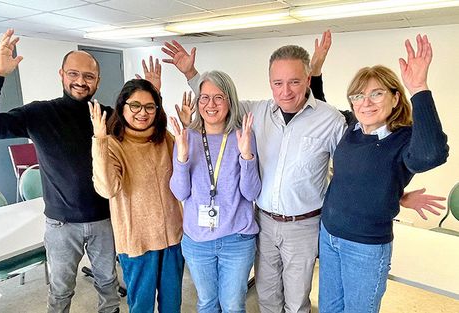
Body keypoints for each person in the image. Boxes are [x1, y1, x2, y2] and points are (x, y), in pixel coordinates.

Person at [161, 31, 447, 313]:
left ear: (307, 80)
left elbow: (361, 166)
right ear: (270, 84)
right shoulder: (256, 113)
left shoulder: (331, 119)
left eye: (294, 82)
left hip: (305, 226)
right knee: (268, 297)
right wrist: (192, 74)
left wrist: (395, 193)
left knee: (297, 302)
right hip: (263, 223)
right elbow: (218, 100)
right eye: (278, 83)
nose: (286, 91)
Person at [0, 29, 121, 313]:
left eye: (89, 76)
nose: (81, 81)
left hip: (105, 221)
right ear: (61, 74)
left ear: (97, 81)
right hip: (61, 225)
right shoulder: (40, 114)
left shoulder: (108, 116)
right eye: (74, 74)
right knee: (61, 291)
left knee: (108, 283)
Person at [318, 35, 448, 313]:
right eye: (358, 96)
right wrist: (316, 70)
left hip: (365, 247)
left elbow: (431, 155)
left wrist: (420, 89)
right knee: (329, 309)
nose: (365, 102)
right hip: (329, 236)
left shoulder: (403, 139)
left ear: (395, 97)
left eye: (376, 93)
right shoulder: (351, 127)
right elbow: (320, 106)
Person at [88, 78, 184, 313]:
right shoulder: (112, 144)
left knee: (172, 305)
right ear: (122, 107)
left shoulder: (166, 139)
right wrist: (99, 141)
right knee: (141, 306)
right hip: (137, 241)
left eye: (150, 107)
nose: (143, 113)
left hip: (173, 237)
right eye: (135, 106)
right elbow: (107, 189)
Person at [169, 70, 261, 312]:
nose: (210, 104)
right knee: (207, 303)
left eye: (218, 97)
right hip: (197, 241)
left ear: (230, 101)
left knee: (232, 305)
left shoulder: (243, 137)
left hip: (237, 239)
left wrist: (246, 156)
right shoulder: (187, 137)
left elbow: (251, 193)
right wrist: (182, 157)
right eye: (204, 98)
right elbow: (180, 193)